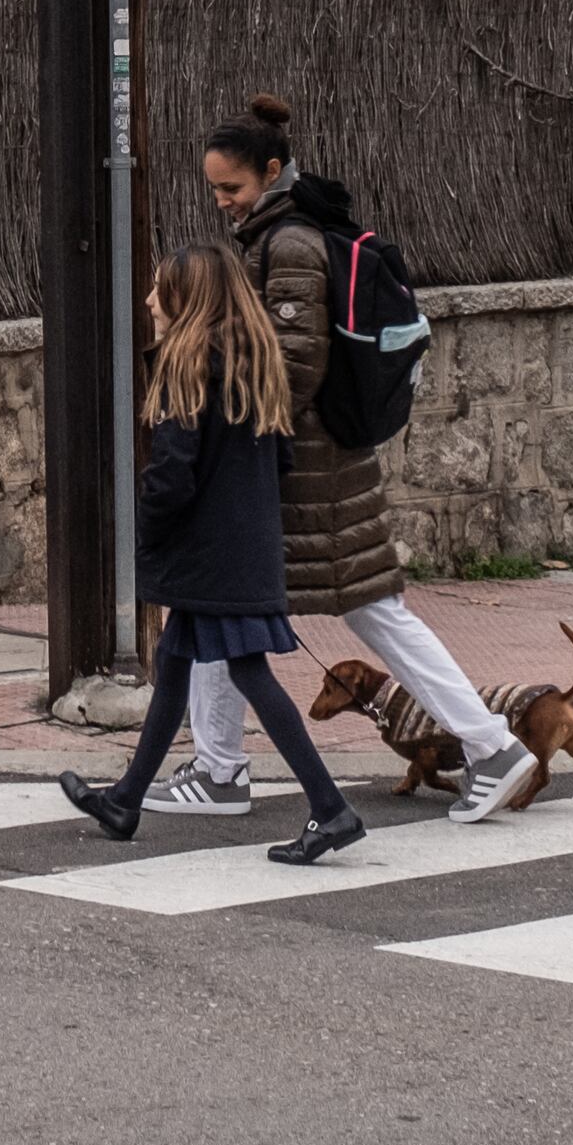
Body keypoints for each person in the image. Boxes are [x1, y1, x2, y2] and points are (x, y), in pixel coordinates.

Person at [156, 97, 538, 824]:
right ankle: (489, 747)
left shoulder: (290, 244)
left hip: (304, 471)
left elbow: (294, 368)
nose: (222, 202)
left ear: (271, 171)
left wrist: (223, 418)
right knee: (360, 611)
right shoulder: (288, 229)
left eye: (231, 187)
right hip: (327, 466)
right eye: (214, 189)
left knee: (225, 602)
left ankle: (220, 770)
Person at [57, 251, 368, 868]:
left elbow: (172, 473)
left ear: (187, 301)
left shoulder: (188, 365)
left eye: (158, 291)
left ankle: (331, 808)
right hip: (242, 547)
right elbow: (280, 463)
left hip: (210, 554)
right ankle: (125, 800)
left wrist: (146, 533)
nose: (149, 301)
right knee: (173, 665)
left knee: (250, 672)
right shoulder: (254, 366)